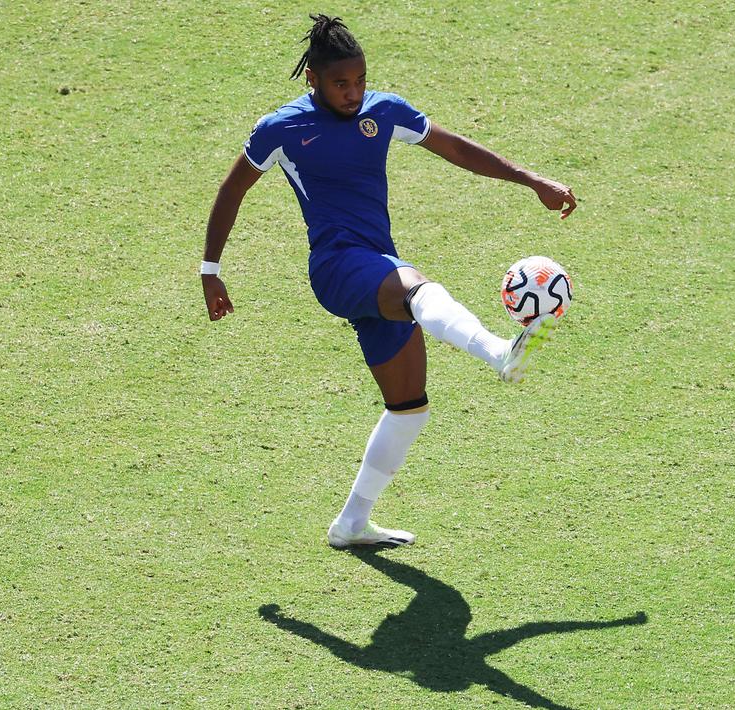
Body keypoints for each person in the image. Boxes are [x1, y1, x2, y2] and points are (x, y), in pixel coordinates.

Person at [201, 16, 577, 547]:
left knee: (408, 409)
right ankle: (500, 352)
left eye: (358, 81)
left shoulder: (383, 110)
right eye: (339, 84)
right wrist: (211, 270)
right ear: (312, 78)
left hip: (375, 262)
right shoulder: (280, 129)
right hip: (336, 265)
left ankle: (351, 523)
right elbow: (232, 189)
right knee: (415, 286)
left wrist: (530, 178)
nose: (352, 93)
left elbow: (457, 149)